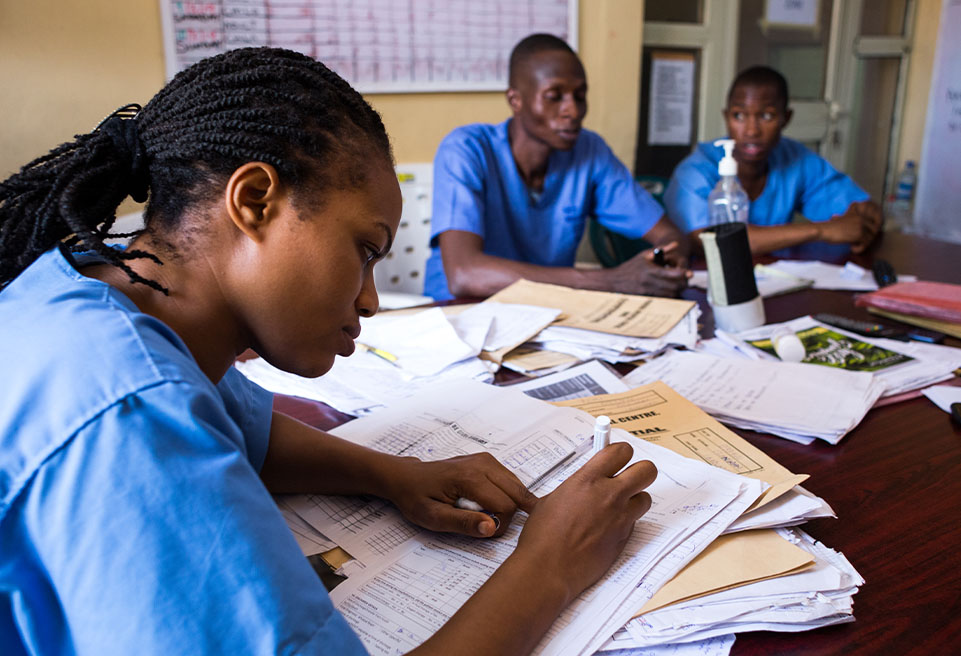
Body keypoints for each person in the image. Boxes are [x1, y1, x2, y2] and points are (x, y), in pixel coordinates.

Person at [0, 47, 658, 655]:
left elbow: (244, 430)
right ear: (254, 200)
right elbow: (163, 420)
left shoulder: (100, 281)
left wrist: (394, 476)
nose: (370, 301)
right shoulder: (130, 412)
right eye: (364, 252)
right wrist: (551, 564)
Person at [424, 33, 690, 301]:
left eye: (580, 95)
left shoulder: (590, 151)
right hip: (458, 316)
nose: (572, 111)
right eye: (554, 96)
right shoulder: (466, 150)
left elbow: (669, 234)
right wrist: (614, 279)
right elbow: (464, 275)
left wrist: (666, 261)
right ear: (515, 100)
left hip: (546, 316)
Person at [664, 66, 882, 255]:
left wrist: (867, 218)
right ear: (726, 116)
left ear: (785, 119)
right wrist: (821, 230)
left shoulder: (795, 158)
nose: (751, 130)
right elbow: (711, 242)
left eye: (766, 116)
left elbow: (857, 209)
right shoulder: (696, 170)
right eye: (739, 116)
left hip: (777, 280)